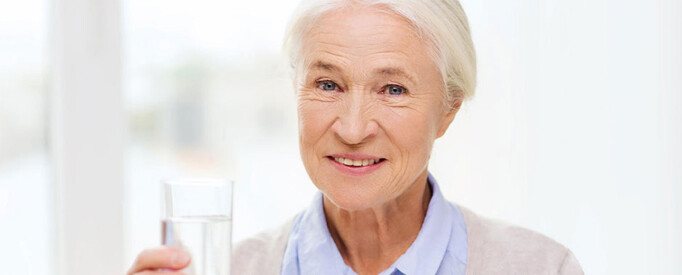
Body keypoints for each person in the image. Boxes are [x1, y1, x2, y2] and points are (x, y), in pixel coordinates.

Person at [127, 0, 584, 274]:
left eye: (393, 89)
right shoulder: (234, 270)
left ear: (448, 111)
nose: (351, 128)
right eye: (327, 85)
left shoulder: (540, 268)